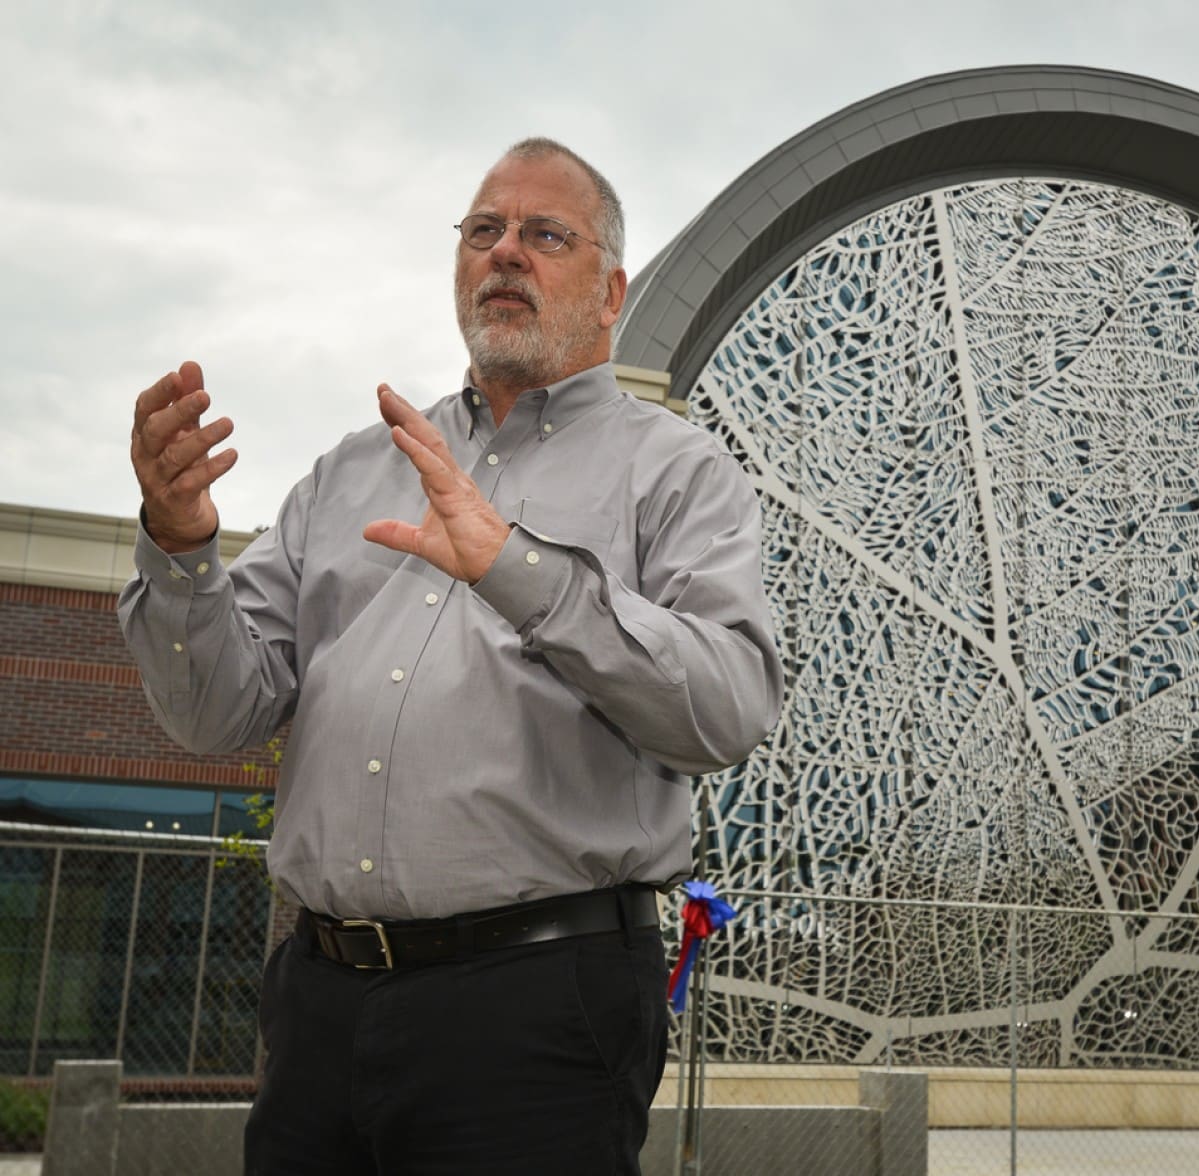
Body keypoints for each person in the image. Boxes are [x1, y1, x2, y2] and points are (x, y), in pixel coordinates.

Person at [119, 138, 783, 1174]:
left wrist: (517, 569)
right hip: (318, 1003)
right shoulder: (350, 472)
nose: (505, 251)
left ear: (610, 293)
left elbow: (727, 709)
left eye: (543, 235)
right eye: (484, 230)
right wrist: (179, 546)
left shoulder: (677, 473)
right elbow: (212, 713)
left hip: (538, 1013)